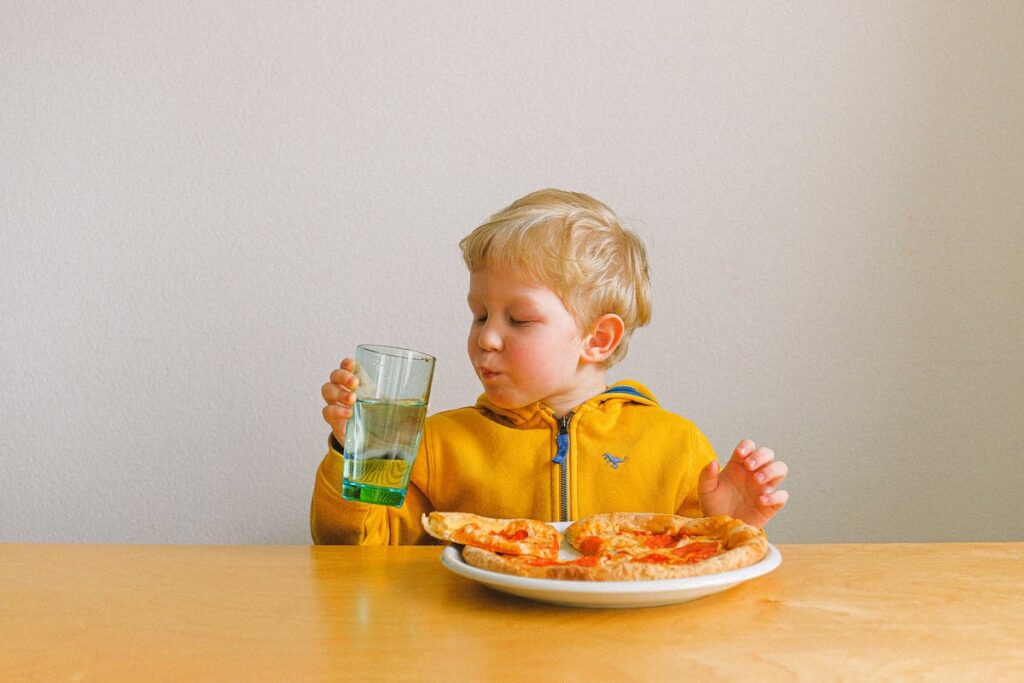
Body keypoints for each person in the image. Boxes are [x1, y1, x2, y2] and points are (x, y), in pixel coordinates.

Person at [311, 189, 789, 544]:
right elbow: (354, 550)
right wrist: (355, 449)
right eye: (479, 315)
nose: (486, 337)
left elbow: (698, 566)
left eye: (518, 319)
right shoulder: (439, 447)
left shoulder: (676, 447)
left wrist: (731, 525)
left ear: (597, 339)